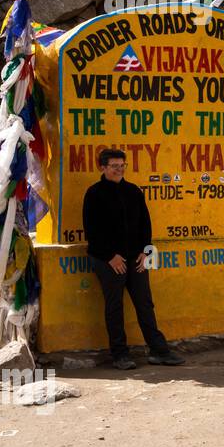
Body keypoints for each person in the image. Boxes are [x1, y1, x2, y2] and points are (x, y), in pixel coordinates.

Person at [82, 148, 184, 370]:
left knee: (144, 303)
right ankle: (120, 354)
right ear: (103, 167)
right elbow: (92, 231)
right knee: (114, 306)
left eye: (122, 166)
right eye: (114, 166)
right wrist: (110, 256)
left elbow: (145, 224)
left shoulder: (133, 191)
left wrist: (145, 252)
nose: (119, 170)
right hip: (108, 260)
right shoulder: (94, 194)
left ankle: (159, 350)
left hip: (136, 258)